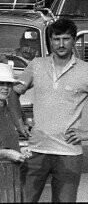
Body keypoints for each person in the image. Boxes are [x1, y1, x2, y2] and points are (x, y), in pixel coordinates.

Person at [11, 18, 88, 202]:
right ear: (50, 41)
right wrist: (19, 123)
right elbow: (13, 94)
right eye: (56, 39)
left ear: (74, 40)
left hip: (68, 154)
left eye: (66, 39)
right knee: (24, 200)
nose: (61, 44)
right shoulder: (37, 65)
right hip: (36, 150)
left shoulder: (86, 70)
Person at [0, 59, 30, 200]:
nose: (5, 88)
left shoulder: (6, 109)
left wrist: (20, 150)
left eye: (8, 84)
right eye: (1, 83)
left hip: (11, 176)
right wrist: (6, 153)